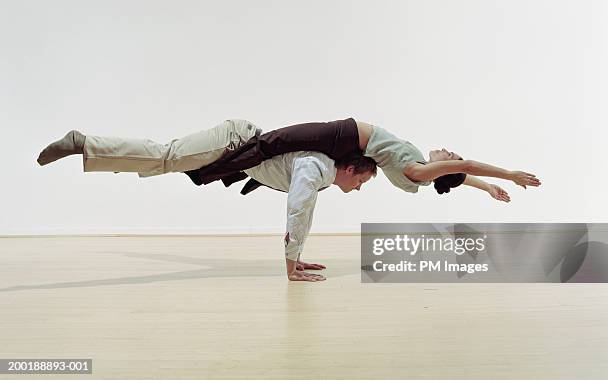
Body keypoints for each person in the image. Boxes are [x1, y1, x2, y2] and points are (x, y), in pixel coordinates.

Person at [36, 119, 378, 282]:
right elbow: (298, 210)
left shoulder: (320, 173)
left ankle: (97, 153)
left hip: (237, 144)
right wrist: (291, 265)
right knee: (166, 156)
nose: (360, 188)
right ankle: (82, 143)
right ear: (351, 168)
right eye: (362, 180)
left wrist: (297, 257)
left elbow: (302, 211)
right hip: (234, 141)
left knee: (163, 160)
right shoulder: (317, 168)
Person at [184, 118, 541, 201]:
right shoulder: (421, 175)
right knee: (272, 154)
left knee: (269, 144)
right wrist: (487, 187)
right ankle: (225, 172)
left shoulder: (417, 171)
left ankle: (205, 172)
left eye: (451, 156)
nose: (448, 151)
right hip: (345, 144)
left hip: (343, 135)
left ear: (441, 170)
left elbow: (462, 168)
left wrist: (508, 174)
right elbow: (461, 175)